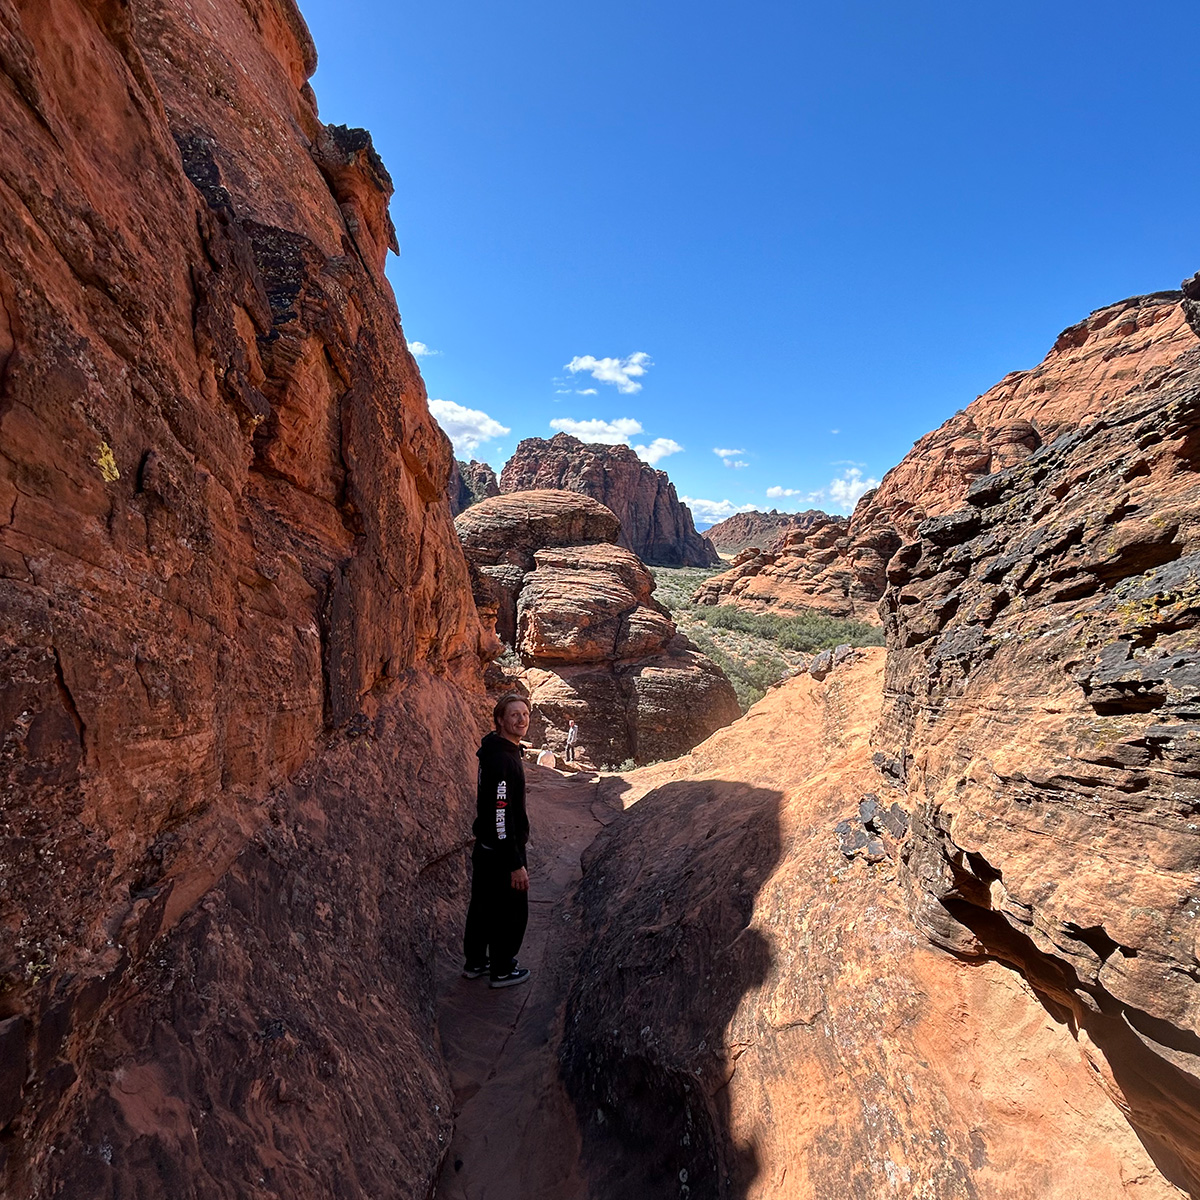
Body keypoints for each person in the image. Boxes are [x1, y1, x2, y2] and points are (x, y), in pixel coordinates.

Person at [462, 694, 532, 988]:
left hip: (486, 848)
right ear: (500, 720)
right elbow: (501, 815)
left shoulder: (495, 748)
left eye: (525, 714)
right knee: (511, 913)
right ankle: (502, 969)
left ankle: (476, 962)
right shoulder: (503, 759)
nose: (521, 720)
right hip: (502, 853)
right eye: (514, 715)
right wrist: (515, 863)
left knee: (482, 908)